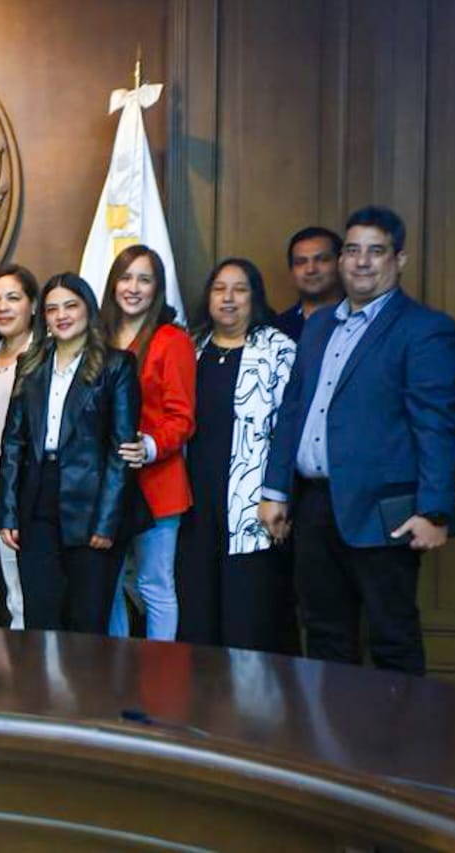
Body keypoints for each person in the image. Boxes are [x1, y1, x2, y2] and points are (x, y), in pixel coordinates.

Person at [259, 206, 455, 675]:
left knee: (392, 639)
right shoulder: (318, 325)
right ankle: (333, 728)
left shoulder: (425, 329)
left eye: (376, 251)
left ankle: (405, 727)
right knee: (324, 634)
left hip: (385, 512)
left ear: (399, 259)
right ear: (342, 260)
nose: (362, 261)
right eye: (352, 250)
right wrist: (274, 491)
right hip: (313, 507)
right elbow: (292, 410)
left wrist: (435, 511)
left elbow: (437, 425)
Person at [0, 273, 140, 633]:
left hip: (91, 502)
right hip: (37, 499)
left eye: (70, 306)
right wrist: (8, 512)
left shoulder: (116, 365)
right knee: (40, 615)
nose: (61, 315)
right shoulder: (30, 363)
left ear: (88, 310)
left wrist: (106, 522)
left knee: (85, 622)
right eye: (52, 309)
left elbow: (121, 452)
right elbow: (13, 442)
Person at [176, 258, 297, 651]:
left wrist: (280, 495)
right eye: (219, 289)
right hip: (194, 504)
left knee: (248, 617)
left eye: (239, 289)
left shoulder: (278, 349)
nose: (228, 298)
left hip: (253, 505)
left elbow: (291, 431)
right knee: (197, 614)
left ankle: (246, 692)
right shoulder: (191, 346)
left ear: (254, 297)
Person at [102, 245, 196, 641]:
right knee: (106, 585)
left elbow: (183, 417)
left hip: (158, 484)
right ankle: (116, 667)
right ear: (113, 284)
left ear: (157, 287)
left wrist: (151, 446)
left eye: (144, 279)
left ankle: (162, 671)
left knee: (154, 584)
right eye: (126, 278)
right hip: (107, 485)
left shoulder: (171, 339)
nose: (133, 287)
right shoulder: (99, 335)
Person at [0, 264, 37, 629]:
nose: (3, 307)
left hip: (34, 489)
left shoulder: (42, 353)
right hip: (2, 488)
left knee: (35, 591)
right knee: (14, 593)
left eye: (13, 298)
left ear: (33, 305)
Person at [272, 226, 343, 341]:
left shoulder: (361, 319)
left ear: (341, 264)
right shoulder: (277, 330)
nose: (310, 270)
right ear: (291, 271)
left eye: (321, 260)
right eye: (301, 262)